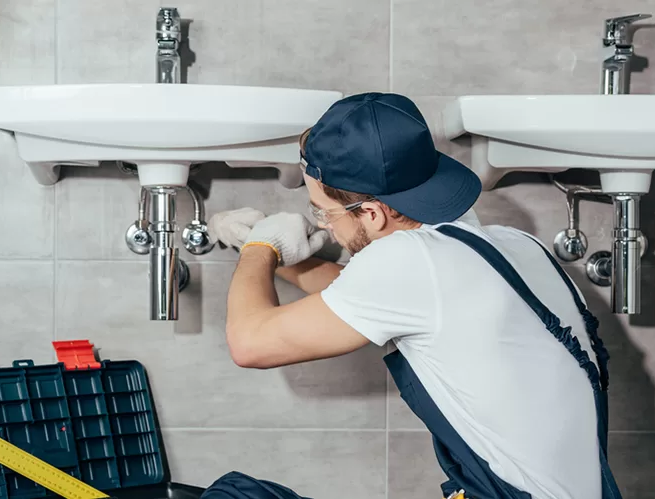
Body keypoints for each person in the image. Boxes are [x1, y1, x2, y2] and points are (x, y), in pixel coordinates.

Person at [201, 93, 622, 499]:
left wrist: (261, 248)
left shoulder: (409, 261)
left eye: (323, 211)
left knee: (235, 496)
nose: (325, 226)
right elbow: (359, 302)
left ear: (372, 212)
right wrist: (274, 255)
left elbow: (249, 343)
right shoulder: (513, 244)